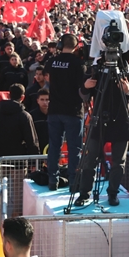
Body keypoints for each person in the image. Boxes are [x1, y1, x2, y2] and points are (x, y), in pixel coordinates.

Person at [75, 53, 129, 207]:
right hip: (99, 120)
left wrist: (127, 91)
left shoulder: (127, 69)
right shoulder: (95, 70)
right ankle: (84, 193)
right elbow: (83, 95)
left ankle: (113, 193)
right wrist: (85, 87)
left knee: (118, 162)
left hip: (121, 121)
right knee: (90, 159)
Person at [45, 33, 87, 189]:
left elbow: (47, 78)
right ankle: (73, 181)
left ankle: (52, 180)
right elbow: (83, 86)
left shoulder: (52, 61)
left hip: (54, 110)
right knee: (74, 148)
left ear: (60, 46)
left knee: (54, 146)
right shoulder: (78, 64)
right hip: (73, 111)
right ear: (76, 47)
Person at [0, 84, 39, 160]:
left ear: (9, 95)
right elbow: (31, 140)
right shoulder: (25, 116)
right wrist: (34, 161)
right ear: (22, 97)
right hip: (19, 161)